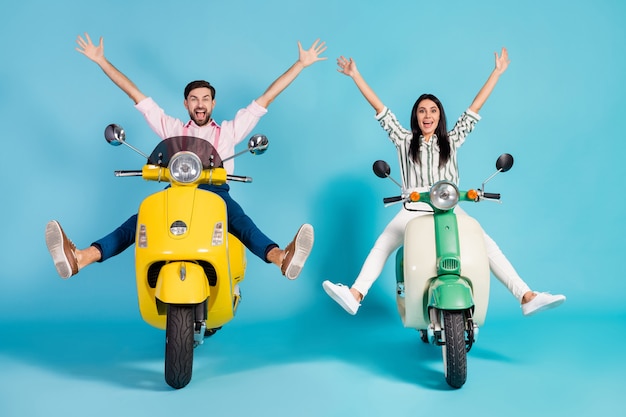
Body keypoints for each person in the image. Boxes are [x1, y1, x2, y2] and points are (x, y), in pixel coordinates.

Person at [46, 32, 325, 281]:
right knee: (140, 220)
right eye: (194, 98)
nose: (200, 104)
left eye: (205, 98)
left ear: (213, 103)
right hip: (177, 189)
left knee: (239, 222)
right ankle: (82, 257)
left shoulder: (229, 131)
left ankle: (281, 257)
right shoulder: (174, 129)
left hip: (215, 192)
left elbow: (266, 99)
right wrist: (101, 61)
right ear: (186, 104)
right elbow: (137, 97)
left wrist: (300, 64)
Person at [323, 48, 566, 316]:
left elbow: (474, 108)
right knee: (383, 244)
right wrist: (355, 74)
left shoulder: (451, 140)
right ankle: (355, 294)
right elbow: (381, 109)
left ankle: (526, 295)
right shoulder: (404, 140)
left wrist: (496, 72)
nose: (427, 116)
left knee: (485, 242)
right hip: (414, 207)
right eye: (422, 111)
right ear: (416, 116)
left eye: (433, 111)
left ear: (440, 116)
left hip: (449, 207)